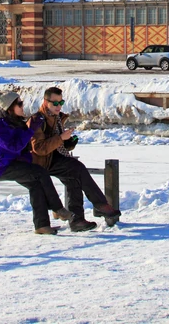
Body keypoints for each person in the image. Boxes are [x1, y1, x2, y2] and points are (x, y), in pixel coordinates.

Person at [30, 87, 121, 231]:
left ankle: (77, 220)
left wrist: (68, 143)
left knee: (74, 177)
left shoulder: (56, 118)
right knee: (77, 168)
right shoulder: (37, 120)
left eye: (61, 102)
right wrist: (61, 138)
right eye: (55, 103)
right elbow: (39, 149)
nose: (58, 106)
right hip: (42, 162)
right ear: (45, 102)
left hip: (54, 158)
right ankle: (99, 205)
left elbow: (57, 144)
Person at [0, 91, 75, 235]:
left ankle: (42, 225)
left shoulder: (18, 123)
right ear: (10, 108)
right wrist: (31, 129)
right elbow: (14, 146)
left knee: (36, 185)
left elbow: (26, 146)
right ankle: (57, 209)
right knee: (40, 173)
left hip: (17, 163)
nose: (23, 106)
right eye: (19, 104)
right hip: (2, 165)